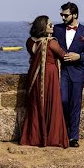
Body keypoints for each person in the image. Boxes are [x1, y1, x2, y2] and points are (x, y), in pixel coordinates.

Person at [19, 15, 69, 148]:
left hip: (34, 76)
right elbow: (64, 55)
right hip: (49, 75)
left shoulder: (29, 42)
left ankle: (34, 137)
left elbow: (34, 53)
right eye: (50, 25)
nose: (52, 27)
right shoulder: (51, 42)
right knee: (52, 103)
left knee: (36, 104)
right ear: (43, 27)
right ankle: (52, 137)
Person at [53, 2, 84, 147]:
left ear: (75, 15)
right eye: (62, 15)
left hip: (77, 72)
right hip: (61, 71)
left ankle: (73, 137)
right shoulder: (57, 29)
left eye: (66, 15)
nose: (63, 17)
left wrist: (79, 57)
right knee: (63, 101)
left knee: (75, 105)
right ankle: (62, 132)